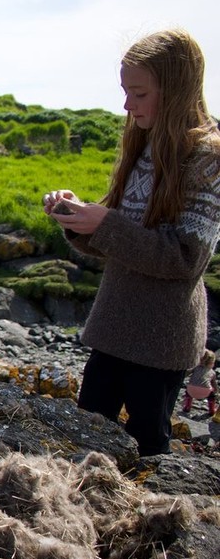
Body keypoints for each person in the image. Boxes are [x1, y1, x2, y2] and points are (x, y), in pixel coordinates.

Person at [43, 29, 220, 456]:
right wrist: (79, 217)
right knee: (85, 435)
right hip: (114, 327)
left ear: (175, 89)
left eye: (138, 93)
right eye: (125, 92)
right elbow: (119, 240)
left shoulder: (209, 159)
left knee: (147, 446)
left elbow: (183, 259)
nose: (127, 105)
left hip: (162, 339)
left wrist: (106, 224)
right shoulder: (144, 146)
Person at [182, 348, 217, 415]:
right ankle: (212, 410)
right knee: (212, 395)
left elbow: (186, 373)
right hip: (205, 392)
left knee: (188, 392)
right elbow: (214, 384)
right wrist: (216, 391)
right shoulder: (212, 372)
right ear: (212, 363)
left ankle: (187, 406)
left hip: (191, 390)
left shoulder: (195, 367)